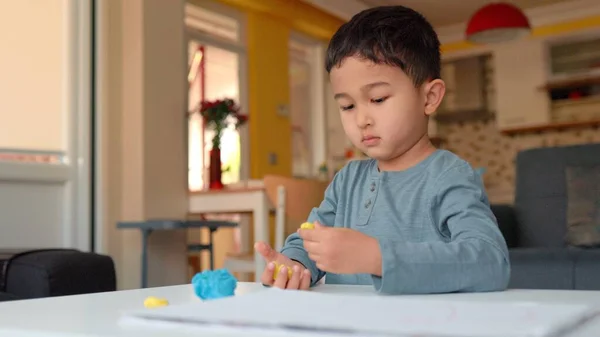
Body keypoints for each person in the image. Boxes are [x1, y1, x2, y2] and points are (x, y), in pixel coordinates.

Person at [254, 5, 510, 294]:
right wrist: (294, 264)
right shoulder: (347, 181)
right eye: (347, 106)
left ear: (429, 98)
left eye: (377, 99)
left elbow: (490, 262)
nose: (362, 119)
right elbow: (311, 239)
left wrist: (378, 258)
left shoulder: (448, 176)